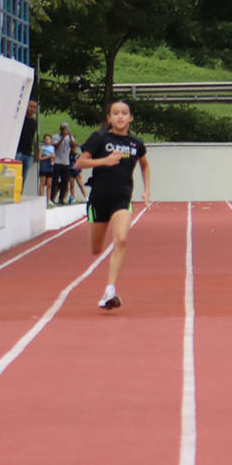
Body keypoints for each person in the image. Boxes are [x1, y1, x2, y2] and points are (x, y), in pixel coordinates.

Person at [76, 100, 150, 310]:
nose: (120, 116)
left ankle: (110, 289)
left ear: (130, 118)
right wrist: (104, 161)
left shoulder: (136, 143)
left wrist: (146, 190)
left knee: (121, 239)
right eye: (115, 113)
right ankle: (110, 289)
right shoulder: (99, 138)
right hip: (98, 199)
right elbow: (79, 163)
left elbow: (145, 165)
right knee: (95, 249)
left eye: (124, 113)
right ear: (109, 118)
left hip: (122, 198)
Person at [15, 99, 38, 194]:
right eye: (30, 106)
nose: (32, 109)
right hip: (19, 151)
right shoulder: (20, 120)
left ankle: (20, 193)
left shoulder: (34, 122)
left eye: (34, 107)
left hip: (28, 153)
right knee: (16, 175)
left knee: (23, 176)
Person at [51, 122, 76, 205]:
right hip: (57, 162)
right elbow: (56, 147)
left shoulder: (70, 137)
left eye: (66, 128)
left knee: (65, 182)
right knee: (55, 181)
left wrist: (69, 137)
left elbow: (73, 147)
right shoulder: (56, 137)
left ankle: (61, 199)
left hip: (66, 163)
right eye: (64, 128)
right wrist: (63, 138)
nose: (65, 130)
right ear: (61, 129)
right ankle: (52, 198)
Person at [38, 133, 55, 198]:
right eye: (45, 139)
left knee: (49, 184)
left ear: (50, 140)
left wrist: (53, 159)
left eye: (48, 139)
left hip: (50, 167)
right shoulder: (42, 148)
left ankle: (48, 200)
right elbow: (39, 158)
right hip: (43, 167)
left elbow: (53, 156)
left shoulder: (52, 148)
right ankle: (41, 198)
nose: (47, 140)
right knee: (42, 183)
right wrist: (48, 156)